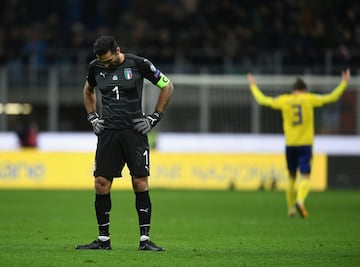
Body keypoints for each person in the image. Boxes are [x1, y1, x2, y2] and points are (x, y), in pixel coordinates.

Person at [76, 35, 174, 251]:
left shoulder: (139, 64)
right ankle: (103, 241)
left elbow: (167, 86)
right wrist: (92, 116)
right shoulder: (95, 67)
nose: (106, 65)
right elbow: (87, 90)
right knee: (101, 184)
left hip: (134, 131)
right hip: (108, 132)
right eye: (103, 62)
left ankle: (145, 240)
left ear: (118, 50)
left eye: (110, 61)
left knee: (140, 183)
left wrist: (154, 117)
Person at [247, 69, 351, 218]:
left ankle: (290, 209)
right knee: (305, 176)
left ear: (293, 90)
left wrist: (253, 86)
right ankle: (300, 200)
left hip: (290, 145)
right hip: (305, 144)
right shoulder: (309, 98)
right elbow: (332, 98)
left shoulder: (284, 100)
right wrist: (344, 82)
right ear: (304, 90)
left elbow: (263, 100)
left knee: (291, 176)